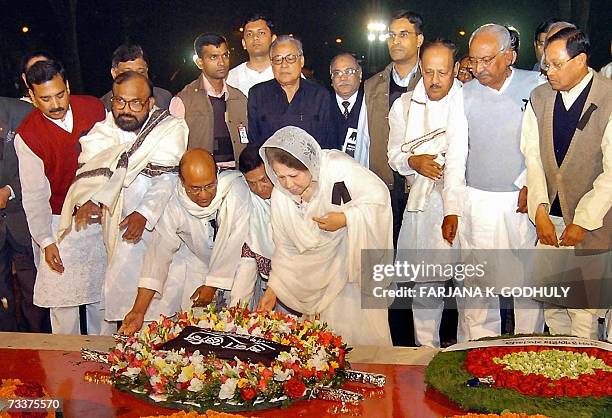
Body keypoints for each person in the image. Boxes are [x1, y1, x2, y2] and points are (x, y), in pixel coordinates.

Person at [58, 71, 187, 334]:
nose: (126, 110)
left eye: (135, 103)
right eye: (119, 102)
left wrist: (144, 213)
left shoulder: (170, 128)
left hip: (160, 227)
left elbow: (166, 180)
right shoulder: (101, 133)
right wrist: (90, 200)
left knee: (163, 310)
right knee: (122, 303)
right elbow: (90, 176)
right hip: (117, 232)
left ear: (150, 103)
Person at [443, 24, 542, 339]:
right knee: (478, 286)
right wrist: (451, 208)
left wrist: (531, 184)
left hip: (520, 201)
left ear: (509, 56)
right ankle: (480, 351)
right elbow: (457, 153)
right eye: (474, 60)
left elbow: (545, 147)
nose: (479, 68)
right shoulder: (463, 95)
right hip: (478, 202)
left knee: (527, 283)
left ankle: (530, 351)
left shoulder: (536, 85)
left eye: (487, 60)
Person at [257, 126, 393, 346]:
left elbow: (379, 200)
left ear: (309, 165)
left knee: (364, 343)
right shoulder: (281, 197)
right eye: (280, 177)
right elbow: (285, 248)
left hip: (351, 274)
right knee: (327, 351)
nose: (288, 184)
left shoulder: (338, 170)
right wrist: (274, 288)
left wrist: (345, 218)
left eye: (294, 175)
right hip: (315, 284)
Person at [521, 28, 611, 338]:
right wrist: (541, 212)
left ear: (582, 60)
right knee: (554, 305)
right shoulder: (539, 97)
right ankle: (558, 376)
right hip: (551, 220)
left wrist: (583, 221)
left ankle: (587, 383)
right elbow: (532, 159)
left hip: (594, 222)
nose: (549, 72)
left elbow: (611, 174)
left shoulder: (608, 96)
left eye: (557, 64)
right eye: (546, 64)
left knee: (583, 312)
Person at [15, 60, 107, 335]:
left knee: (103, 300)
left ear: (67, 86)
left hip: (102, 215)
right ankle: (64, 374)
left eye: (60, 94)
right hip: (60, 222)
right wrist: (46, 241)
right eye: (45, 99)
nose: (55, 104)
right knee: (63, 305)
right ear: (31, 97)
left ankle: (106, 368)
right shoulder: (28, 135)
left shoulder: (94, 108)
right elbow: (34, 196)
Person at [118, 149, 250, 335]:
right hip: (198, 264)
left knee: (237, 329)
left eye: (210, 186)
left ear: (218, 175)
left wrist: (212, 284)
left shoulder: (236, 189)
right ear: (182, 182)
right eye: (195, 189)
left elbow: (234, 241)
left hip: (239, 267)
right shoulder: (174, 202)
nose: (204, 195)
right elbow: (158, 255)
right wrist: (138, 311)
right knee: (195, 332)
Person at [388, 39, 465, 348]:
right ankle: (425, 355)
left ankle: (470, 356)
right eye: (429, 71)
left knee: (472, 288)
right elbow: (393, 154)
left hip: (463, 203)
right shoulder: (404, 106)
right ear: (420, 67)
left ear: (456, 70)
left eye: (443, 72)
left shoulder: (468, 101)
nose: (434, 80)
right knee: (425, 287)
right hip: (421, 204)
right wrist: (413, 161)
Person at [365, 9, 424, 347]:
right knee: (387, 266)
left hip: (422, 189)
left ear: (418, 40)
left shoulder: (434, 81)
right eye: (391, 34)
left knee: (427, 269)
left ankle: (433, 338)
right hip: (384, 189)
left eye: (403, 34)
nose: (395, 40)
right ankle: (394, 340)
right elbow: (365, 140)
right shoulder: (373, 85)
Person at [0, 97, 51, 332]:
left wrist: (9, 191)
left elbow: (42, 166)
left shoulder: (22, 112)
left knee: (34, 289)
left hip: (23, 218)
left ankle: (39, 343)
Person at [171, 33, 248, 168]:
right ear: (199, 62)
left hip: (238, 174)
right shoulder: (183, 100)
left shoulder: (239, 98)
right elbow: (173, 149)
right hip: (201, 177)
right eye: (213, 57)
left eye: (225, 55)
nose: (221, 62)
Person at [247, 35, 336, 148]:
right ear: (271, 64)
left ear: (302, 61)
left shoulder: (320, 95)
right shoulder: (258, 94)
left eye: (290, 58)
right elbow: (253, 143)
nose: (284, 65)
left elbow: (329, 143)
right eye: (278, 59)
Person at [229, 145, 275, 309]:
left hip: (298, 277)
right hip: (267, 282)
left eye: (264, 180)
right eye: (252, 183)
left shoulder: (293, 196)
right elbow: (247, 257)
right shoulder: (249, 202)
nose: (260, 188)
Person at [100, 44, 172, 111]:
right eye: (128, 74)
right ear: (114, 73)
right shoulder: (101, 107)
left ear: (147, 71)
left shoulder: (164, 98)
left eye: (141, 73)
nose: (135, 80)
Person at [330, 53, 370, 167]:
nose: (343, 78)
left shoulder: (370, 104)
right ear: (331, 79)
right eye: (337, 73)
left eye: (349, 72)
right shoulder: (323, 105)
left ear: (360, 74)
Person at [226, 13, 276, 97]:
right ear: (243, 43)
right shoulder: (231, 79)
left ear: (273, 39)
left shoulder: (287, 73)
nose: (255, 37)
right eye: (249, 34)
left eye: (261, 33)